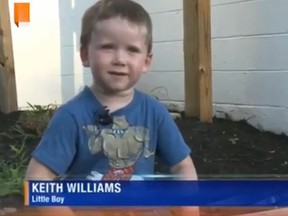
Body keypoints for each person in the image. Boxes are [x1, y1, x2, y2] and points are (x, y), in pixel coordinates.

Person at [25, 0, 198, 215]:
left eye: (132, 50)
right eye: (108, 47)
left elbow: (183, 167)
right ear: (85, 55)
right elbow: (37, 179)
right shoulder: (70, 116)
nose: (120, 59)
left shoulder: (155, 112)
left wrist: (189, 208)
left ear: (146, 61)